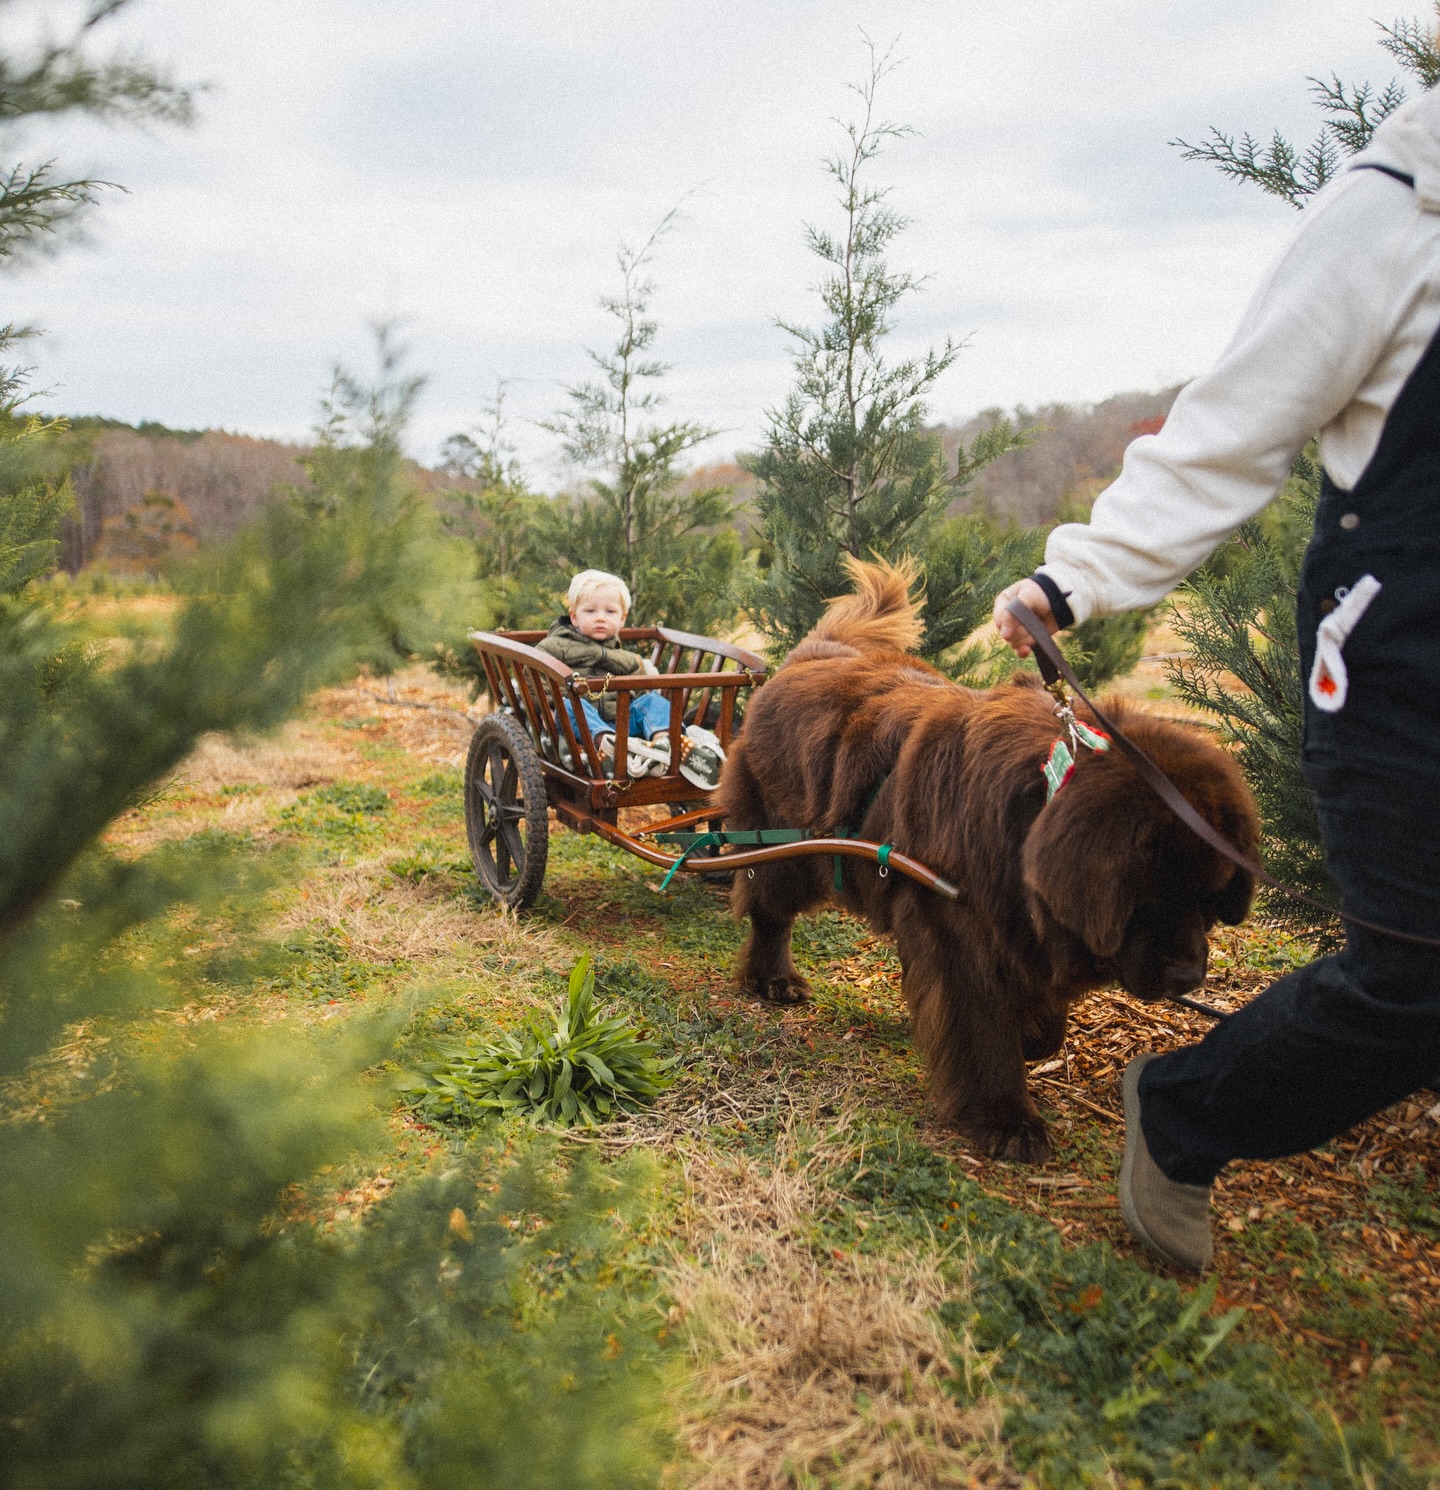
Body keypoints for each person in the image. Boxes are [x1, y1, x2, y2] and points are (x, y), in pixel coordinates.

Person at [991, 87, 1440, 1272]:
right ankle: (1189, 1115)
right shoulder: (1398, 213)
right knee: (1414, 976)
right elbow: (1226, 430)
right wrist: (1069, 579)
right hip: (1406, 652)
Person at [536, 569, 725, 789]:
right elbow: (532, 681)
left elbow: (641, 694)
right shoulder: (554, 646)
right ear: (574, 617)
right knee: (569, 705)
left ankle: (664, 742)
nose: (600, 617)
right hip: (584, 729)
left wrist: (646, 705)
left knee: (653, 701)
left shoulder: (628, 659)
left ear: (622, 619)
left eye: (610, 612)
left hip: (622, 722)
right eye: (590, 611)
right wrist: (546, 709)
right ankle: (608, 747)